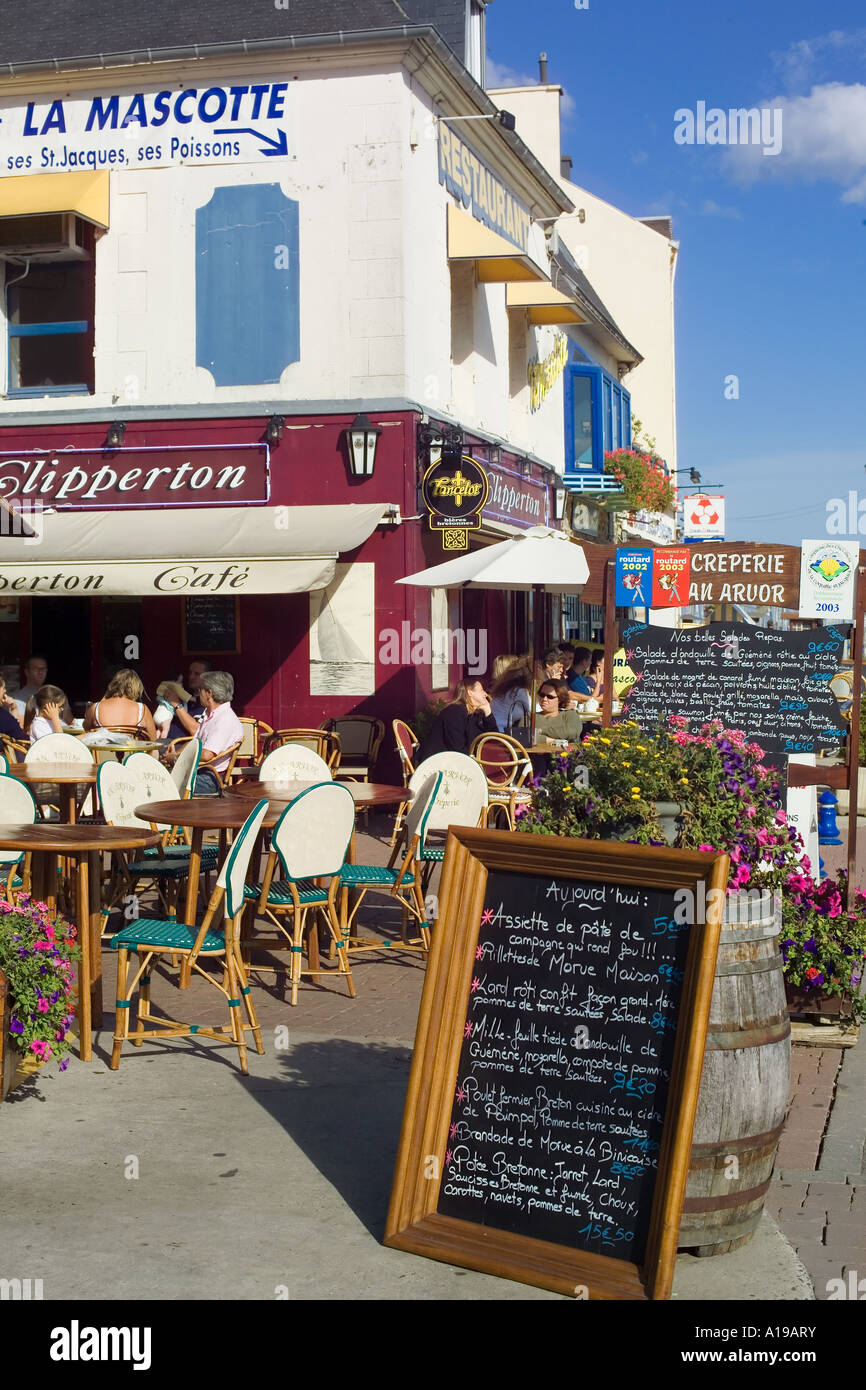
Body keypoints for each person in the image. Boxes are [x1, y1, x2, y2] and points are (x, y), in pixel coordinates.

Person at [165, 670, 243, 795]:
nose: (198, 693)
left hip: (210, 779)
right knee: (155, 777)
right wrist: (173, 755)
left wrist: (176, 758)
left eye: (200, 689)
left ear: (209, 693)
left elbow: (207, 754)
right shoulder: (211, 715)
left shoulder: (225, 719)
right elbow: (195, 743)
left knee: (161, 783)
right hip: (198, 772)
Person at [415, 676, 498, 762]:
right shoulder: (454, 712)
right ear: (470, 693)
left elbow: (494, 740)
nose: (485, 694)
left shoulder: (473, 714)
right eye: (481, 690)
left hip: (456, 761)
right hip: (437, 763)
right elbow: (457, 748)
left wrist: (488, 712)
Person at [84, 669, 158, 740]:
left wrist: (104, 698)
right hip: (133, 752)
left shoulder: (96, 708)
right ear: (136, 688)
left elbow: (86, 730)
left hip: (102, 752)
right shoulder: (142, 710)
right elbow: (153, 741)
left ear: (113, 685)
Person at [161, 659, 211, 741]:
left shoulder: (208, 702)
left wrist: (176, 704)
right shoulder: (184, 695)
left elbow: (196, 731)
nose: (191, 677)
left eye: (197, 674)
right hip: (165, 739)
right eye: (190, 673)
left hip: (181, 746)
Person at [490, 661, 532, 733]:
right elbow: (534, 711)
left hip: (493, 729)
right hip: (503, 732)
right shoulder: (519, 692)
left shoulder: (503, 689)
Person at [12, 654, 49, 719]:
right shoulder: (18, 699)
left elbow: (70, 721)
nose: (40, 672)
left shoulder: (55, 694)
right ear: (27, 672)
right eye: (36, 668)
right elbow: (22, 725)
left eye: (43, 668)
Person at [0, 677, 25, 749]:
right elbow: (21, 740)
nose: (5, 691)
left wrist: (14, 708)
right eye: (3, 688)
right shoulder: (2, 715)